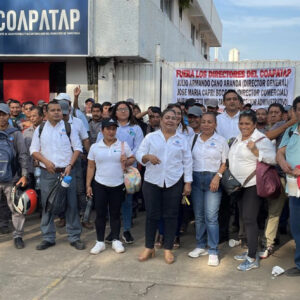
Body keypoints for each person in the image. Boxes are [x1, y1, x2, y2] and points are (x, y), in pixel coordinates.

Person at [136, 108, 192, 264]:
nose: (170, 120)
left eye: (173, 118)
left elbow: (187, 162)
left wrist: (188, 182)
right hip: (152, 181)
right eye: (167, 117)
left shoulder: (182, 140)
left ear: (178, 121)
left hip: (174, 182)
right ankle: (149, 247)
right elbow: (139, 154)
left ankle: (167, 248)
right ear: (161, 120)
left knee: (171, 215)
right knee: (152, 215)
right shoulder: (151, 137)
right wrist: (147, 157)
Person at [30, 100, 85, 250]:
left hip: (67, 173)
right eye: (53, 110)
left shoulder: (69, 128)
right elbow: (34, 150)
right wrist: (46, 162)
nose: (57, 112)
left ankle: (74, 236)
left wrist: (70, 165)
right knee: (48, 205)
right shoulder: (40, 129)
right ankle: (48, 237)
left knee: (71, 205)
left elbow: (78, 148)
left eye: (59, 110)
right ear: (46, 113)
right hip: (48, 173)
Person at [228, 111, 276, 271]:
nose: (244, 127)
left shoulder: (261, 139)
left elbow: (273, 159)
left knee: (249, 219)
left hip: (253, 184)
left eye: (247, 124)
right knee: (244, 218)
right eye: (241, 123)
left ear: (254, 124)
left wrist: (256, 151)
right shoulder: (237, 138)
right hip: (239, 185)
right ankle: (250, 250)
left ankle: (252, 258)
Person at [97, 101, 144, 243]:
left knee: (127, 201)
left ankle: (127, 230)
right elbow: (99, 145)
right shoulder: (107, 127)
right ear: (114, 112)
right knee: (112, 203)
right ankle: (113, 231)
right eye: (120, 109)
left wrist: (130, 160)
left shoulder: (136, 128)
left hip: (129, 171)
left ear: (130, 111)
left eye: (126, 109)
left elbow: (140, 147)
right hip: (110, 170)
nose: (123, 111)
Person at [87, 118, 135, 254]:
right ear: (102, 130)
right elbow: (91, 166)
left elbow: (132, 158)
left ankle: (115, 240)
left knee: (115, 213)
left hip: (118, 184)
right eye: (108, 128)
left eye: (113, 129)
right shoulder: (95, 147)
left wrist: (127, 161)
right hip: (100, 184)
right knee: (100, 214)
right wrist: (88, 185)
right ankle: (100, 242)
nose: (111, 131)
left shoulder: (123, 145)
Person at [188, 112, 228, 266]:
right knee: (198, 216)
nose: (206, 124)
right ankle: (200, 245)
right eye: (203, 121)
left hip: (213, 179)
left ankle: (213, 250)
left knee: (211, 217)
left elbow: (225, 162)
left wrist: (217, 176)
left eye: (209, 122)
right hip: (196, 179)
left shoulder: (221, 141)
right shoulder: (193, 139)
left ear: (215, 124)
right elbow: (187, 160)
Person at [258, 103, 290, 259]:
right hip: (280, 175)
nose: (272, 115)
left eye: (276, 112)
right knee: (274, 211)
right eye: (270, 112)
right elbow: (268, 136)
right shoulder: (281, 125)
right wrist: (289, 123)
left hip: (295, 175)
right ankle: (268, 243)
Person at [57, 100, 91, 229]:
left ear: (70, 111)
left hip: (76, 162)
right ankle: (62, 217)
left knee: (80, 191)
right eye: (61, 113)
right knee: (61, 190)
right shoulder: (52, 124)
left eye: (65, 114)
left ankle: (84, 217)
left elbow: (85, 139)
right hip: (59, 163)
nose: (62, 117)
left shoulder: (78, 122)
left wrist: (89, 156)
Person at [277, 96, 300, 276]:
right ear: (294, 111)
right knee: (296, 227)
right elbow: (280, 152)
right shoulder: (291, 130)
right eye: (299, 109)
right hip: (294, 188)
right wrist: (282, 162)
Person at [0, 103, 28, 248]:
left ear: (8, 116)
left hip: (12, 178)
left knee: (17, 208)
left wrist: (24, 175)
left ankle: (18, 235)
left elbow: (23, 155)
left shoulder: (15, 133)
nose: (1, 117)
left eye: (3, 114)